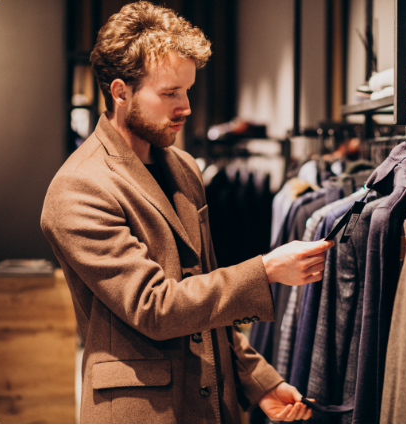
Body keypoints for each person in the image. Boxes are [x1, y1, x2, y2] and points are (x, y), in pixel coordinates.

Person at [40, 2, 332, 423]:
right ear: (120, 92)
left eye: (188, 90)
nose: (187, 107)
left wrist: (258, 380)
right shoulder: (78, 189)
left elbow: (205, 295)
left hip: (214, 401)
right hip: (144, 410)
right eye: (170, 93)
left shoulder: (183, 167)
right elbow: (154, 306)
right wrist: (265, 269)